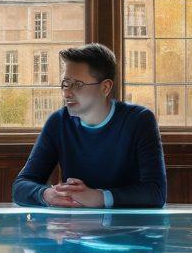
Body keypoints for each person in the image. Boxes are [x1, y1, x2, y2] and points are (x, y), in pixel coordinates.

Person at [12, 43, 166, 208]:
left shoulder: (140, 120)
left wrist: (99, 197)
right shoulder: (58, 122)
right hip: (75, 229)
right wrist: (47, 195)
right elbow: (20, 186)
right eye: (65, 84)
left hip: (129, 228)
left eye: (77, 85)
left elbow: (156, 192)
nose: (66, 93)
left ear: (105, 87)